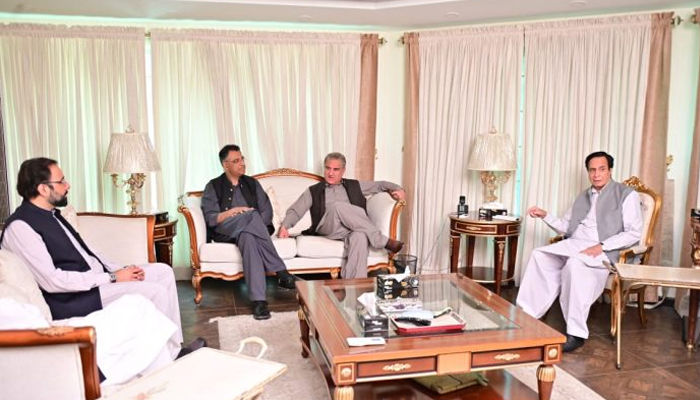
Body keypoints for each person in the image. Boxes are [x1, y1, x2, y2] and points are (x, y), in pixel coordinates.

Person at [0, 157, 205, 362]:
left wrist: (121, 270)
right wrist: (113, 278)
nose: (67, 185)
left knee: (163, 271)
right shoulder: (21, 227)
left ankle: (175, 348)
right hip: (74, 299)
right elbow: (53, 281)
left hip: (95, 281)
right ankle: (169, 358)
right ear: (43, 189)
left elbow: (88, 253)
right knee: (155, 292)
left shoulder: (52, 214)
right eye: (61, 181)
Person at [516, 151, 643, 352]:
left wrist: (602, 246)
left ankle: (576, 333)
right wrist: (545, 215)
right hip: (575, 243)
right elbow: (567, 227)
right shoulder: (583, 196)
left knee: (574, 266)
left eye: (601, 169)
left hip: (604, 248)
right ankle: (526, 316)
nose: (596, 174)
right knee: (539, 255)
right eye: (592, 170)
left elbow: (633, 233)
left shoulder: (627, 194)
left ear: (610, 171)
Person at [201, 144, 298, 320]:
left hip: (251, 230)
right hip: (226, 228)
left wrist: (254, 223)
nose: (242, 163)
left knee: (248, 237)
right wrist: (233, 212)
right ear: (225, 165)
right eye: (236, 161)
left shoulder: (252, 183)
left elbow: (266, 211)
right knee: (252, 214)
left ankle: (259, 302)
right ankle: (281, 271)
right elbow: (211, 218)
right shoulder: (213, 186)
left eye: (242, 159)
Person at [279, 152, 406, 278]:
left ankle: (354, 286)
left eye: (336, 169)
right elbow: (296, 210)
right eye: (328, 168)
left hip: (351, 229)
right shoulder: (313, 191)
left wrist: (398, 188)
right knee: (338, 206)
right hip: (328, 227)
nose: (330, 173)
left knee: (360, 236)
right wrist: (285, 226)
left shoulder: (354, 185)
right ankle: (381, 240)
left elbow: (379, 185)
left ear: (343, 171)